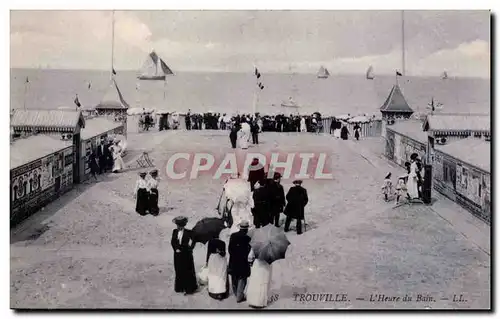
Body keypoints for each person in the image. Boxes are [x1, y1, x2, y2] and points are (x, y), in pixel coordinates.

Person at [171, 216, 198, 295]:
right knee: (178, 270)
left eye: (180, 225)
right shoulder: (174, 231)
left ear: (183, 225)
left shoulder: (189, 232)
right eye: (177, 225)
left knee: (188, 271)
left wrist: (190, 248)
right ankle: (180, 287)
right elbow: (173, 241)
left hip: (186, 254)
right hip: (177, 255)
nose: (178, 227)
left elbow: (194, 241)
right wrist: (176, 249)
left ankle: (189, 288)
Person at [228, 220, 252, 303]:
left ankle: (236, 293)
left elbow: (229, 249)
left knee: (234, 277)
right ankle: (239, 296)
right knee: (242, 278)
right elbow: (249, 250)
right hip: (243, 261)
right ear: (246, 229)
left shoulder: (233, 236)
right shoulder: (248, 237)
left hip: (233, 260)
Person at [206, 236, 229, 300]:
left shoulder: (210, 242)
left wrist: (207, 261)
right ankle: (221, 292)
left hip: (212, 260)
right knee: (221, 275)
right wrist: (219, 251)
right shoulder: (222, 243)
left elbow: (208, 253)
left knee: (213, 275)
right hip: (221, 261)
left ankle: (214, 291)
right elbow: (223, 254)